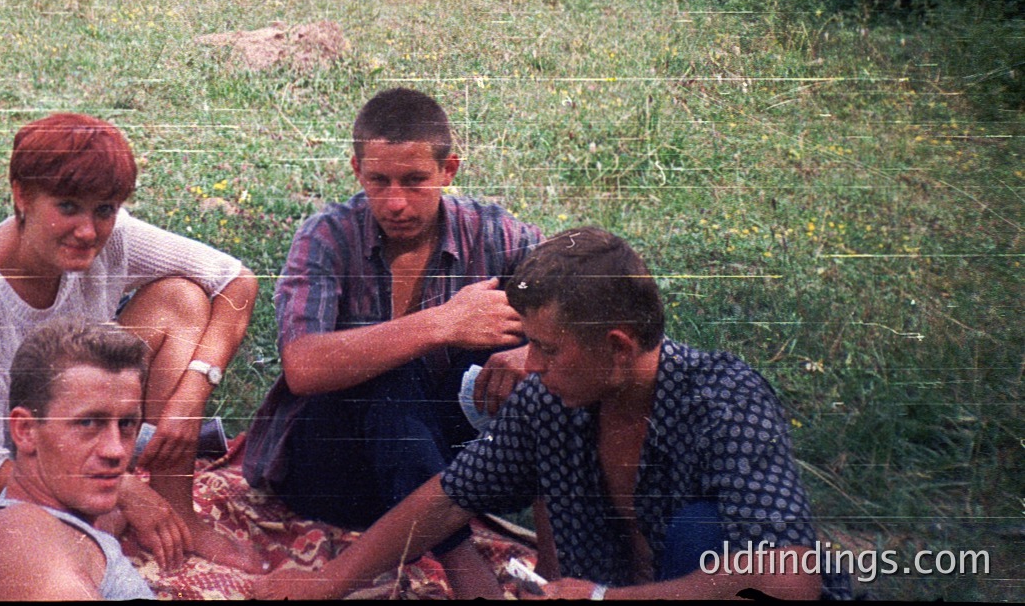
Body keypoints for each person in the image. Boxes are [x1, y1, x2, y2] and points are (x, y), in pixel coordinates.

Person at [255, 228, 848, 600]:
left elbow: (788, 579)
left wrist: (599, 599)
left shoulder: (724, 402)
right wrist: (328, 582)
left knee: (702, 532)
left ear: (617, 347)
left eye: (547, 348)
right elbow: (445, 499)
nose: (528, 365)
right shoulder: (554, 403)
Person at [0, 112, 265, 574]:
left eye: (105, 209)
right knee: (50, 557)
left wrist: (192, 395)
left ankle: (178, 511)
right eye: (68, 206)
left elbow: (236, 281)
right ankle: (109, 505)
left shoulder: (112, 239)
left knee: (181, 299)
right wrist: (127, 491)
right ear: (22, 195)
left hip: (76, 421)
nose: (89, 231)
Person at [242, 87, 543, 596]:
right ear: (357, 171)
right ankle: (463, 564)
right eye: (379, 181)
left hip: (439, 466)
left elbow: (598, 283)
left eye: (415, 181)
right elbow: (304, 367)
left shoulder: (492, 233)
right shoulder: (327, 237)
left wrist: (530, 352)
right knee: (389, 370)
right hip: (333, 472)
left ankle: (563, 565)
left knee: (534, 366)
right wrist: (441, 324)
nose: (396, 202)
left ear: (448, 170)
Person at [0, 319, 158, 600]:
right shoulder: (18, 540)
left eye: (126, 424)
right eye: (88, 423)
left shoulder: (60, 514)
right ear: (25, 431)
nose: (117, 451)